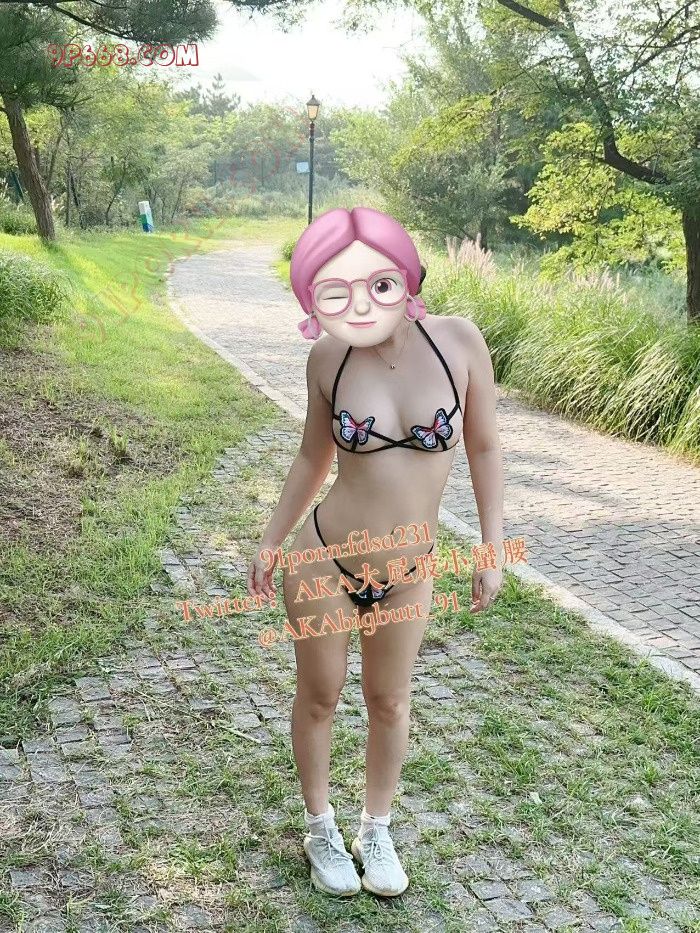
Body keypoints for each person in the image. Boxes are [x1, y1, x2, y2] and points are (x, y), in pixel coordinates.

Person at [246, 206, 504, 898]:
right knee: (320, 694)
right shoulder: (329, 358)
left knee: (389, 700)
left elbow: (483, 446)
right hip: (325, 558)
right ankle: (320, 827)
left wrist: (492, 547)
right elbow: (312, 456)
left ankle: (376, 828)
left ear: (405, 275)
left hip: (410, 568)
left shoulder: (460, 342)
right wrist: (271, 540)